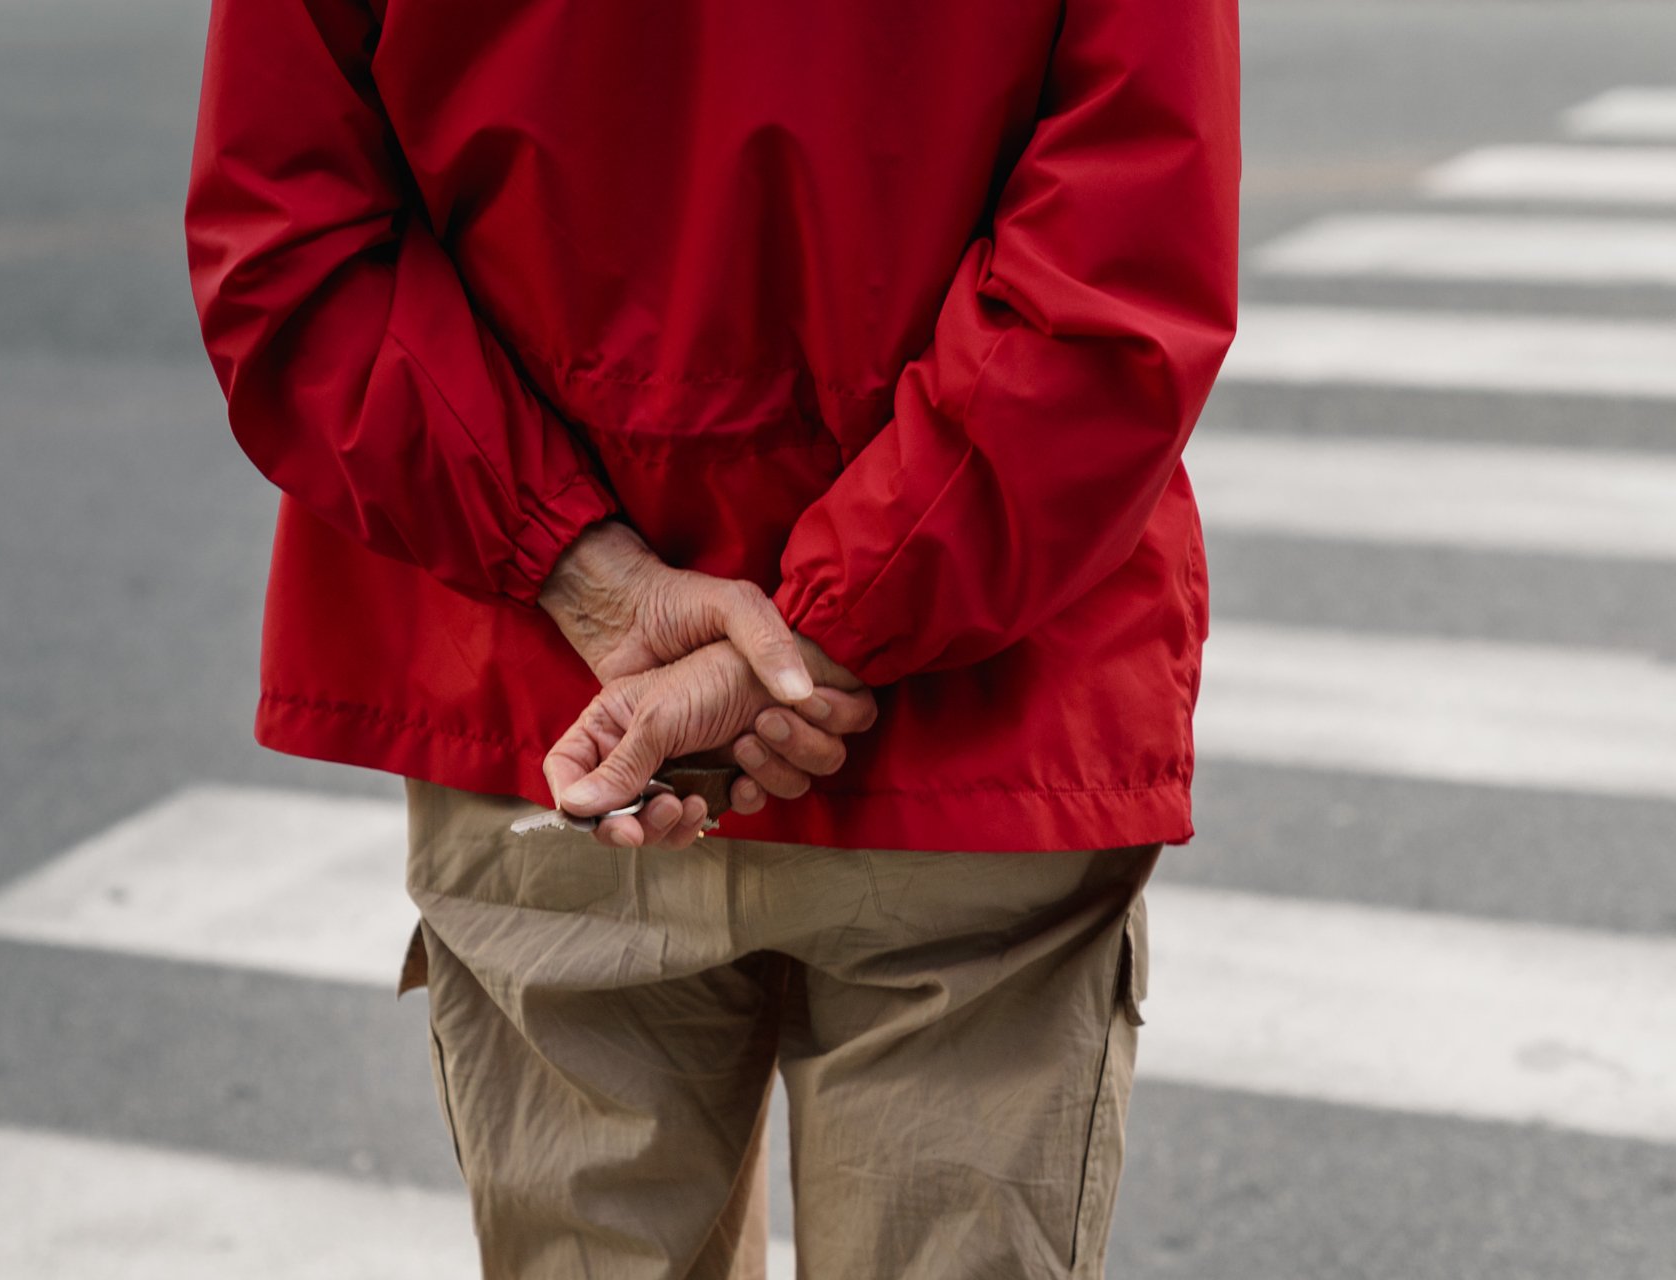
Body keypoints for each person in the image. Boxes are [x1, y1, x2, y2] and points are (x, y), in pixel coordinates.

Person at [184, 0, 1238, 1274]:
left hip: (557, 705)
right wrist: (819, 631)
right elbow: (1116, 269)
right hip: (967, 705)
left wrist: (594, 579)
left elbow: (286, 244)